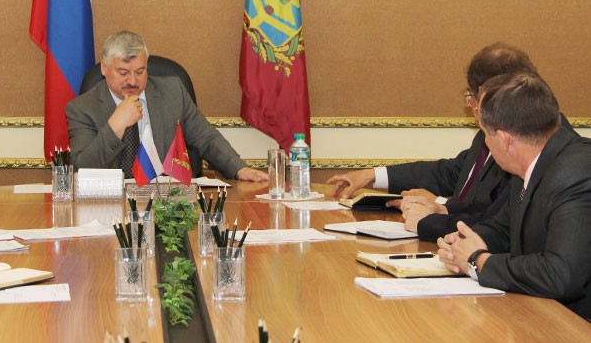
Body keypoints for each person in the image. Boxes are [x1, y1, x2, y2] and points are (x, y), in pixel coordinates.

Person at [326, 43, 576, 241]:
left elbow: (498, 222)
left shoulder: (534, 143)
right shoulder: (494, 130)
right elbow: (453, 171)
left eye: (471, 96)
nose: (471, 105)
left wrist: (438, 210)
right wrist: (374, 174)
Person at [437, 73, 591, 319]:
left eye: (485, 134)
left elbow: (561, 274)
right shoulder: (533, 164)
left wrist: (479, 261)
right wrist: (461, 244)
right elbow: (504, 228)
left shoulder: (575, 175)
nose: (485, 144)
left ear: (505, 139)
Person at [66, 31, 268, 182]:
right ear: (104, 68)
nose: (133, 81)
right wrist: (115, 126)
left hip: (166, 202)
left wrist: (239, 169)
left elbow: (206, 137)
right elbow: (82, 168)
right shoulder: (81, 108)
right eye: (123, 73)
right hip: (110, 205)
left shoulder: (172, 92)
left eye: (140, 71)